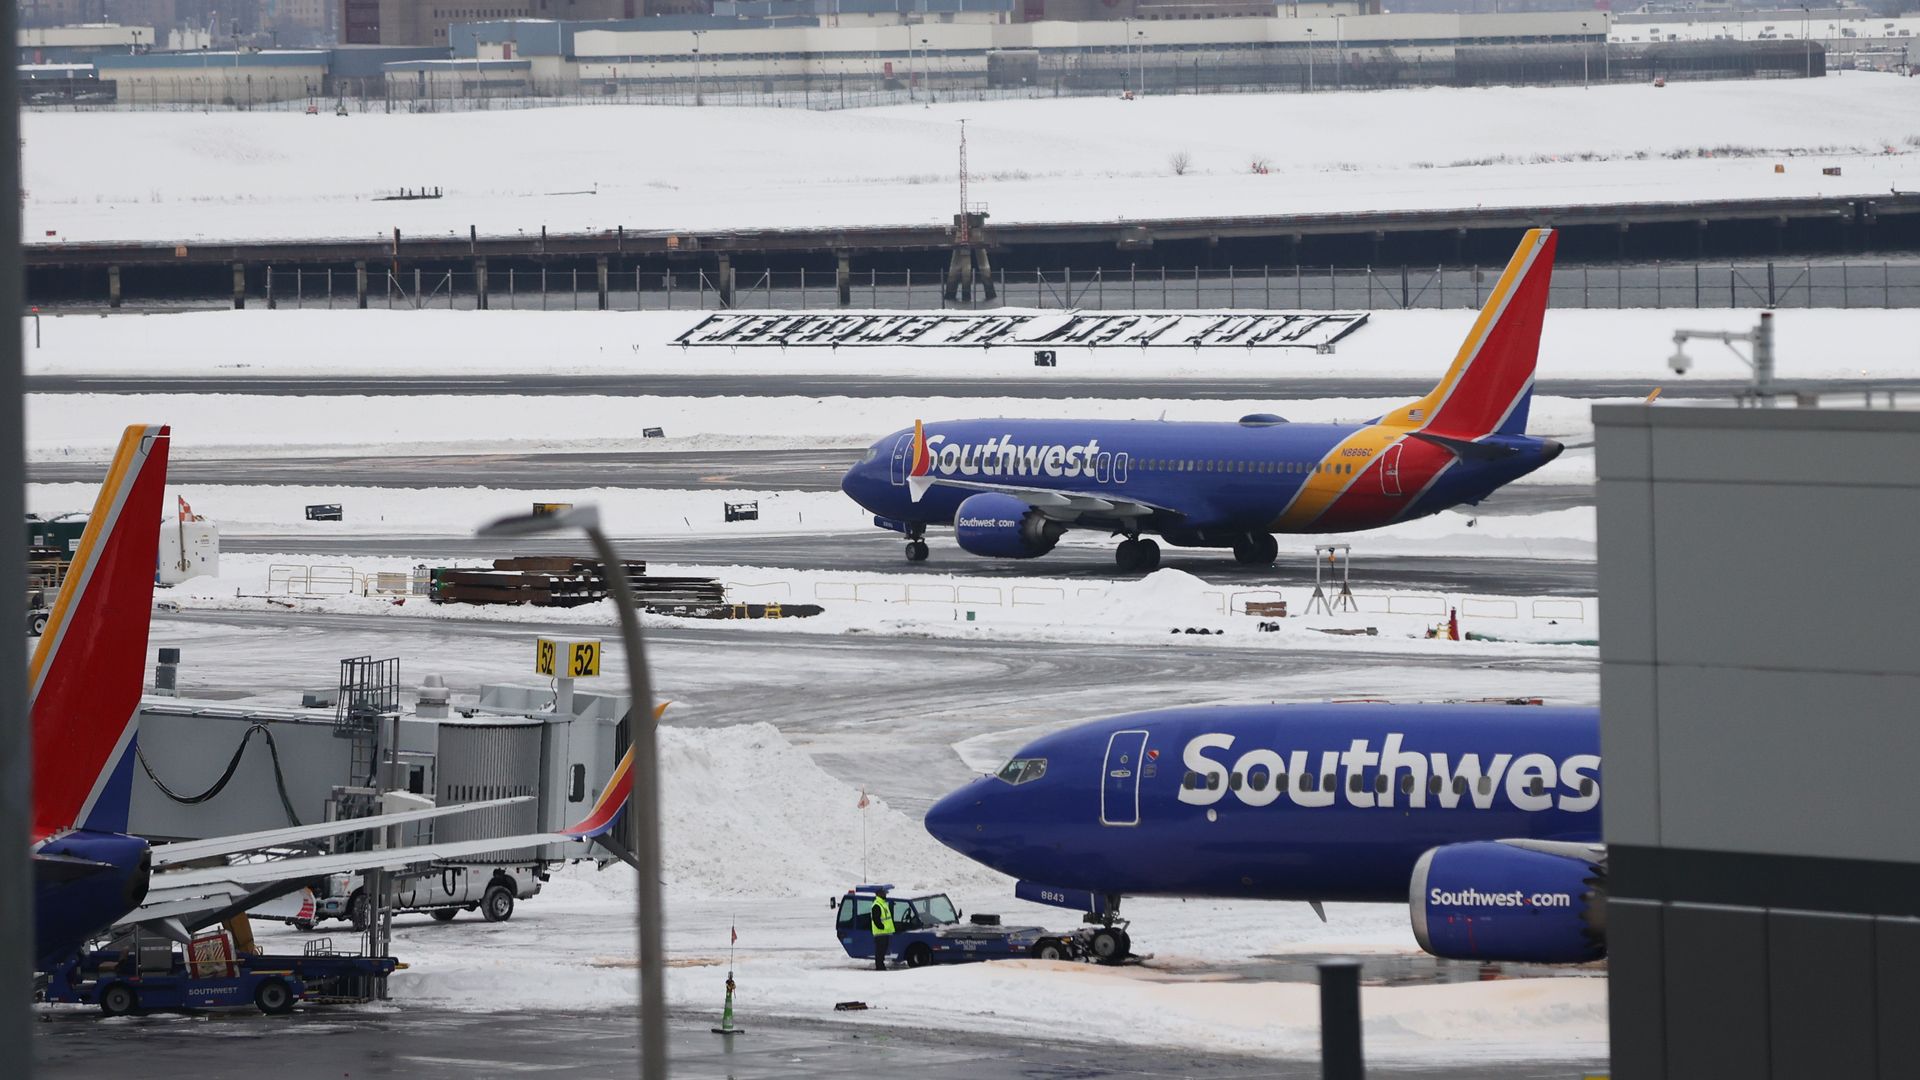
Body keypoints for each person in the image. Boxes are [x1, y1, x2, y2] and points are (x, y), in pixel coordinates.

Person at [869, 888, 895, 971]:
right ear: (879, 894)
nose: (885, 895)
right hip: (880, 933)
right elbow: (876, 919)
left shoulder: (883, 904)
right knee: (880, 951)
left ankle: (881, 966)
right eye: (884, 893)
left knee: (882, 951)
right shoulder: (877, 905)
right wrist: (882, 927)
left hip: (885, 932)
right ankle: (880, 967)